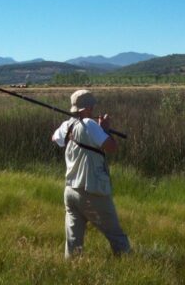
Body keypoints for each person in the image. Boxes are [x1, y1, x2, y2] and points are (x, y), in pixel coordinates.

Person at [52, 89, 131, 259]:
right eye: (92, 106)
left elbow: (54, 138)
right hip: (92, 190)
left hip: (70, 191)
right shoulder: (90, 124)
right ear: (86, 107)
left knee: (73, 243)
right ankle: (129, 265)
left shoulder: (67, 125)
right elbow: (111, 147)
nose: (94, 108)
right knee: (117, 236)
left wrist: (70, 136)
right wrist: (105, 130)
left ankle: (71, 271)